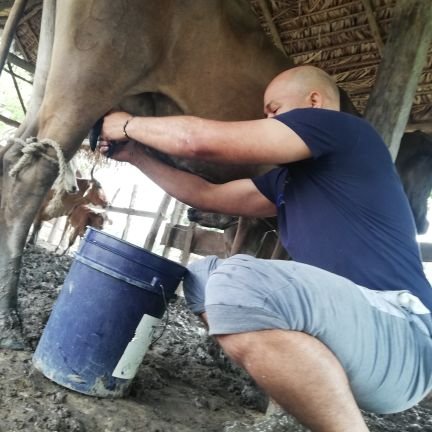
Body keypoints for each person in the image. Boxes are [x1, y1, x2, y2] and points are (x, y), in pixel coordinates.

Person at [100, 65, 432, 432]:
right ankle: (303, 381)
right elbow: (204, 195)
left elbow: (197, 141)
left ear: (315, 101)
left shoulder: (344, 132)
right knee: (202, 278)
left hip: (404, 336)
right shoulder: (286, 182)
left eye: (273, 109)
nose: (266, 118)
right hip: (350, 335)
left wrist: (127, 124)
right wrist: (136, 155)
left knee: (237, 283)